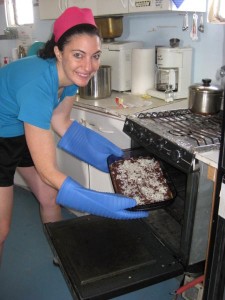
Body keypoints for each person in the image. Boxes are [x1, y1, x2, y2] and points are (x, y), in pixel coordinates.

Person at [0, 6, 148, 263]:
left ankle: (62, 256)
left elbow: (61, 121)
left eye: (95, 56)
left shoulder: (68, 79)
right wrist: (95, 201)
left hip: (19, 127)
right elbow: (48, 171)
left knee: (49, 196)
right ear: (58, 51)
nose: (88, 66)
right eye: (78, 55)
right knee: (0, 229)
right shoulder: (38, 85)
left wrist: (111, 158)